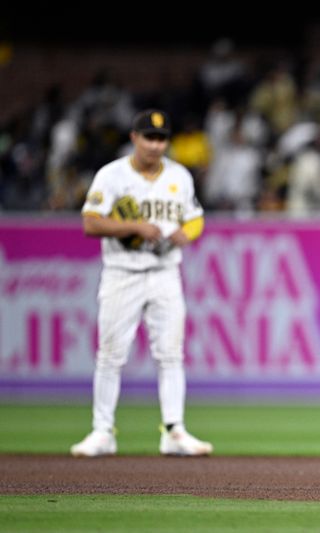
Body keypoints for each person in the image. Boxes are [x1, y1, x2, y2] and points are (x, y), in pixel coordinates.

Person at [71, 110, 213, 457]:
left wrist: (185, 235)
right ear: (134, 138)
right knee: (110, 354)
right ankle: (102, 431)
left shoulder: (179, 176)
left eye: (161, 138)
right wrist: (133, 227)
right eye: (149, 137)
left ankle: (174, 431)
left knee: (170, 354)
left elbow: (195, 220)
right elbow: (90, 223)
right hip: (123, 273)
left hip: (165, 273)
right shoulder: (112, 175)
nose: (155, 144)